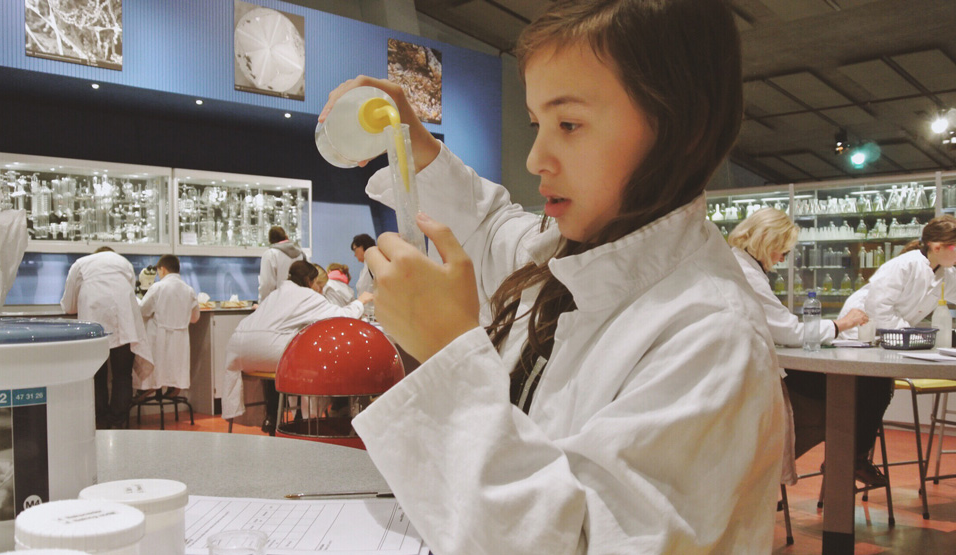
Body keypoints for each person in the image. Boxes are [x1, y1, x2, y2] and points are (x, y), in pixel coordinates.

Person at [322, 1, 785, 552]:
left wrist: (446, 357)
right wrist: (415, 144)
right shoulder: (570, 256)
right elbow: (490, 227)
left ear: (682, 125)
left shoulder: (711, 338)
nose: (536, 158)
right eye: (537, 123)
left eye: (569, 124)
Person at [728, 208, 890, 486]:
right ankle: (852, 459)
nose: (781, 260)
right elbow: (790, 331)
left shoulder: (741, 265)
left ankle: (852, 457)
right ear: (767, 242)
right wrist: (841, 324)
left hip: (749, 366)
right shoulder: (747, 273)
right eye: (782, 251)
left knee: (871, 386)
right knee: (874, 384)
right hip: (753, 374)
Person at [223, 260, 373, 433]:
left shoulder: (276, 294)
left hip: (238, 349)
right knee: (311, 362)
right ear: (310, 281)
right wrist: (360, 301)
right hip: (268, 350)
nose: (320, 290)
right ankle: (308, 421)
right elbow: (341, 316)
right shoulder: (307, 295)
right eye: (318, 285)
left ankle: (272, 417)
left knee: (285, 357)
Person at [61, 246, 152, 429]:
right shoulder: (124, 263)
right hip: (123, 320)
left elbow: (69, 306)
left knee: (96, 375)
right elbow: (130, 290)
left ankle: (100, 423)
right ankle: (117, 423)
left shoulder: (81, 264)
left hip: (95, 320)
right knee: (122, 376)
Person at [839, 214, 956, 337]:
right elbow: (878, 307)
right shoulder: (904, 265)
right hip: (858, 330)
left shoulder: (946, 273)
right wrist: (906, 332)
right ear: (937, 248)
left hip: (893, 334)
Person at [132, 254, 201, 400]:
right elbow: (195, 318)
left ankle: (149, 387)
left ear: (162, 269)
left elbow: (143, 311)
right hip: (180, 340)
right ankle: (174, 386)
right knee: (175, 367)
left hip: (158, 337)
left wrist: (137, 299)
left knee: (155, 366)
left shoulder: (158, 287)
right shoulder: (189, 290)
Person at [258, 225, 305, 302]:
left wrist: (262, 305)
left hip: (278, 304)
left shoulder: (271, 254)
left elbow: (266, 285)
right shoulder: (301, 254)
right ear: (286, 236)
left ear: (270, 241)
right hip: (298, 302)